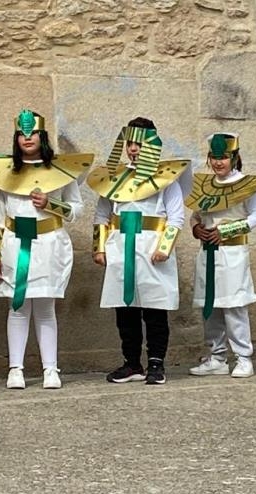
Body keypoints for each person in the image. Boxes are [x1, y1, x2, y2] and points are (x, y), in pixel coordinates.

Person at [0, 110, 93, 390]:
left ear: (42, 137)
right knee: (17, 306)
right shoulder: (5, 174)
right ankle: (15, 369)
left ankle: (50, 369)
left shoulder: (61, 172)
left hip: (49, 244)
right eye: (21, 133)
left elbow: (77, 208)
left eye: (32, 133)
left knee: (45, 307)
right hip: (15, 244)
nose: (27, 138)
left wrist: (51, 204)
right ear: (16, 138)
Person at [88, 117, 190, 385]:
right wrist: (99, 247)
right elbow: (102, 215)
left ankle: (156, 363)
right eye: (130, 143)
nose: (134, 149)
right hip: (121, 247)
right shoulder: (113, 179)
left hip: (151, 246)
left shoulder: (166, 179)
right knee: (126, 308)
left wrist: (164, 247)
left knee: (155, 308)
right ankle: (131, 363)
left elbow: (176, 216)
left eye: (140, 143)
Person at [186, 133, 256, 378]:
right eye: (214, 157)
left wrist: (227, 230)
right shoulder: (204, 186)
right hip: (207, 253)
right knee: (211, 307)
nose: (219, 163)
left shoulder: (245, 185)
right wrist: (196, 228)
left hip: (232, 253)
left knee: (234, 306)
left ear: (234, 157)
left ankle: (243, 357)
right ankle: (217, 357)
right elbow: (196, 215)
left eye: (224, 158)